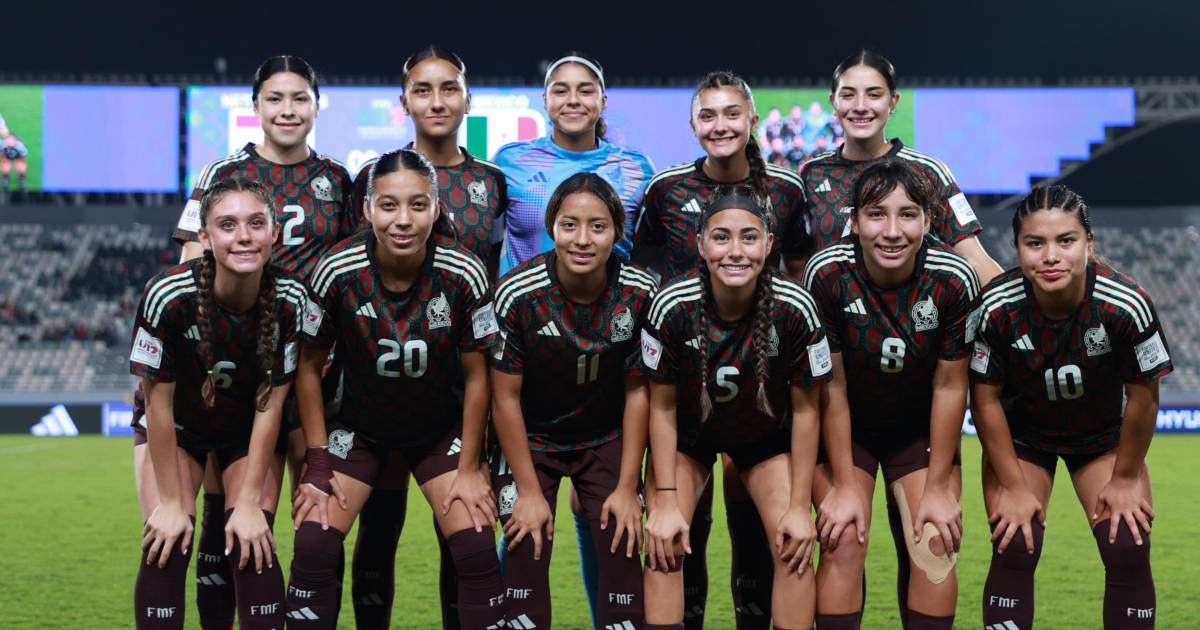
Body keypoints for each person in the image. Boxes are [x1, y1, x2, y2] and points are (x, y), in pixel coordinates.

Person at [161, 54, 355, 629]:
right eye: (275, 98)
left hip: (315, 369)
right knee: (229, 516)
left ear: (317, 105)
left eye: (300, 98)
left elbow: (348, 272)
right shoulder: (219, 173)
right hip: (243, 372)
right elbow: (189, 265)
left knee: (316, 522)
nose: (288, 110)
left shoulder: (338, 180)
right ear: (256, 107)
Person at [285, 149, 505, 630]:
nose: (403, 220)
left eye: (418, 205)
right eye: (388, 206)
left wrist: (471, 466)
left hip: (436, 432)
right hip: (359, 431)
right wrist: (318, 460)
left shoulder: (464, 272)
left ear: (436, 208)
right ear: (367, 209)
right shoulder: (336, 270)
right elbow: (307, 367)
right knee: (315, 540)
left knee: (474, 542)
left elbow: (477, 377)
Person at [630, 70, 811, 629]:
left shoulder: (785, 191)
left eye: (732, 113)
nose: (721, 125)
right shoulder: (665, 192)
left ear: (752, 120)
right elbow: (641, 283)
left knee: (774, 540)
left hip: (760, 392)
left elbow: (799, 276)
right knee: (673, 538)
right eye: (708, 115)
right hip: (685, 391)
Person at [348, 45, 509, 630]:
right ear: (404, 101)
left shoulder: (492, 182)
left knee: (461, 532)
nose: (437, 101)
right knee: (379, 523)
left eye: (449, 88)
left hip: (458, 388)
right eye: (423, 89)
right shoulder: (371, 179)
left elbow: (493, 272)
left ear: (467, 98)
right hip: (378, 384)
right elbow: (352, 275)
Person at [971, 185, 1172, 630]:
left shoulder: (1126, 305)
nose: (1050, 256)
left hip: (1100, 441)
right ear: (1017, 248)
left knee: (1127, 542)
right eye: (1034, 243)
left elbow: (1143, 396)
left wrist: (1123, 478)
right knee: (1015, 540)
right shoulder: (996, 308)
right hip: (1022, 441)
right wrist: (1013, 485)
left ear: (1089, 243)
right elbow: (983, 399)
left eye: (1066, 240)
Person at [641, 186, 831, 630]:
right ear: (701, 244)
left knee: (794, 545)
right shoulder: (672, 305)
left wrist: (800, 507)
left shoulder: (795, 307)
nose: (735, 251)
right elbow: (662, 408)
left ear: (768, 244)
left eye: (749, 238)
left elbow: (807, 412)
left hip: (764, 440)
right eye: (721, 238)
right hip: (690, 440)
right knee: (664, 544)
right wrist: (665, 502)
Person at [803, 159, 980, 629]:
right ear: (854, 220)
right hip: (849, 430)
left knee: (935, 542)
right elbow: (832, 386)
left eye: (907, 215)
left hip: (916, 432)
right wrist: (842, 484)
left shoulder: (953, 280)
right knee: (842, 537)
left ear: (927, 220)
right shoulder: (826, 275)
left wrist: (940, 487)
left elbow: (949, 385)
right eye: (877, 214)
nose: (892, 230)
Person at [132, 177, 304, 630]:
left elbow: (271, 408)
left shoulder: (292, 300)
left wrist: (249, 502)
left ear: (275, 233)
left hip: (248, 432)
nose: (243, 236)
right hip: (179, 430)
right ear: (205, 238)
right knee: (166, 543)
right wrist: (170, 502)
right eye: (227, 225)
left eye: (255, 223)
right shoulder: (167, 296)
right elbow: (159, 407)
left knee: (253, 544)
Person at [491, 172, 654, 629]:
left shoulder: (640, 294)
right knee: (526, 540)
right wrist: (526, 491)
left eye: (598, 227)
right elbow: (504, 399)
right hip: (532, 440)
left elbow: (638, 391)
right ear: (551, 227)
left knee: (622, 546)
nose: (582, 240)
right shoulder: (517, 295)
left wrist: (626, 489)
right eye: (569, 225)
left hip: (603, 438)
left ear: (617, 232)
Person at [801, 50, 1002, 286]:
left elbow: (974, 258)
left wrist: (1016, 311)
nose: (860, 106)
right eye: (848, 95)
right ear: (833, 103)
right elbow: (798, 264)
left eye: (874, 95)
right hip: (830, 320)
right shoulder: (810, 174)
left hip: (914, 320)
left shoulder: (928, 171)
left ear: (893, 102)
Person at [494, 52, 655, 276]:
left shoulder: (636, 168)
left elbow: (650, 251)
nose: (572, 100)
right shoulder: (510, 161)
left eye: (586, 91)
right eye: (560, 91)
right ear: (544, 100)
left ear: (603, 101)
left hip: (610, 307)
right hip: (524, 308)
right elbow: (488, 241)